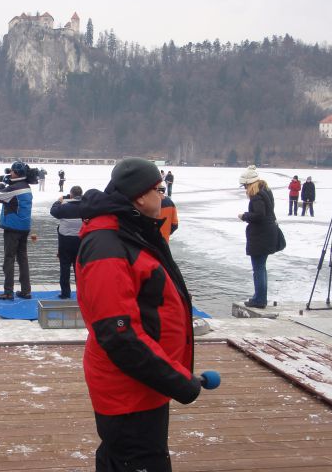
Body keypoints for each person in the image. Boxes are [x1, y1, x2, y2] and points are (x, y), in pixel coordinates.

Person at [75, 158, 201, 471]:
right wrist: (178, 381)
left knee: (122, 460)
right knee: (136, 459)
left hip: (145, 386)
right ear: (140, 196)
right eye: (159, 190)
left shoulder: (131, 231)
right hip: (128, 391)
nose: (164, 196)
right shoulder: (108, 244)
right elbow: (119, 335)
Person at [238, 165, 278, 309]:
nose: (245, 189)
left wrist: (245, 216)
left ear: (250, 184)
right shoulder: (265, 191)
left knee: (258, 268)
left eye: (245, 186)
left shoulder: (257, 196)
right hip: (268, 233)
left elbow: (260, 215)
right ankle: (260, 297)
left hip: (262, 236)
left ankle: (259, 299)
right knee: (261, 267)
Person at [0, 161, 33, 300]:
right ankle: (26, 290)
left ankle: (8, 292)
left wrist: (3, 182)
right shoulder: (26, 186)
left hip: (13, 228)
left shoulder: (13, 189)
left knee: (9, 259)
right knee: (23, 259)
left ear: (16, 172)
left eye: (11, 171)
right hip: (24, 227)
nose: (10, 173)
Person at [50, 185, 83, 299]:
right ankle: (82, 293)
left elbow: (53, 211)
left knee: (64, 268)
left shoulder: (64, 207)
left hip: (65, 242)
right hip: (80, 242)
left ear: (71, 194)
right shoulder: (86, 207)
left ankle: (65, 293)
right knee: (79, 268)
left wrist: (58, 201)